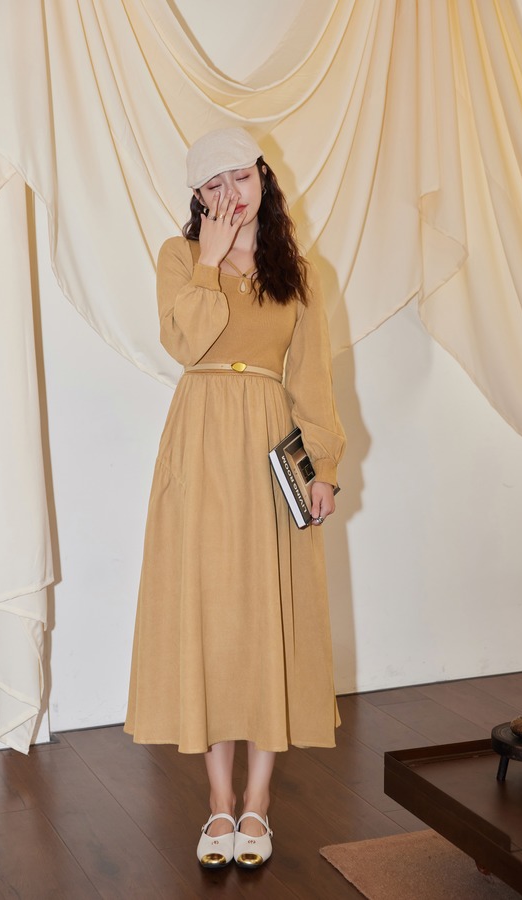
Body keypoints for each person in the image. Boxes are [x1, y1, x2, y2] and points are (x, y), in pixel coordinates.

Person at [124, 126, 346, 869]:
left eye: (240, 178)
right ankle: (219, 803)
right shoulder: (180, 257)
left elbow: (311, 378)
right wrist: (210, 262)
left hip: (272, 448)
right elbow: (186, 344)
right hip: (200, 445)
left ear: (262, 178)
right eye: (212, 185)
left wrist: (323, 467)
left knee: (269, 613)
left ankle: (258, 801)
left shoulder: (299, 273)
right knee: (211, 616)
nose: (230, 195)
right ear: (198, 197)